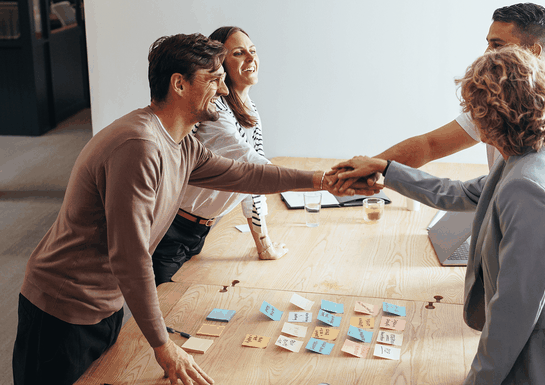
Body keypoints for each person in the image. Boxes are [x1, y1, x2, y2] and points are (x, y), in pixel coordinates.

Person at [12, 33, 353, 385]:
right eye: (214, 80)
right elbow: (130, 257)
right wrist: (163, 346)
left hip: (105, 303)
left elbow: (246, 174)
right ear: (178, 84)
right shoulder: (140, 146)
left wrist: (323, 180)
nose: (223, 91)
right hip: (61, 308)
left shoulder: (182, 143)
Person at [339, 2, 545, 385]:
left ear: (500, 111)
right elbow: (461, 192)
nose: (471, 115)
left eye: (476, 107)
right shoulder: (526, 157)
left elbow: (514, 312)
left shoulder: (531, 187)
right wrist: (386, 170)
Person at [152, 26, 286, 286]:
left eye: (253, 51)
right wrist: (320, 181)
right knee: (164, 308)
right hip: (173, 228)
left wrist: (264, 245)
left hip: (200, 227)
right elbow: (252, 166)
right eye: (239, 53)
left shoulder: (250, 111)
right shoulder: (214, 110)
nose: (250, 58)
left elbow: (252, 185)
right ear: (220, 65)